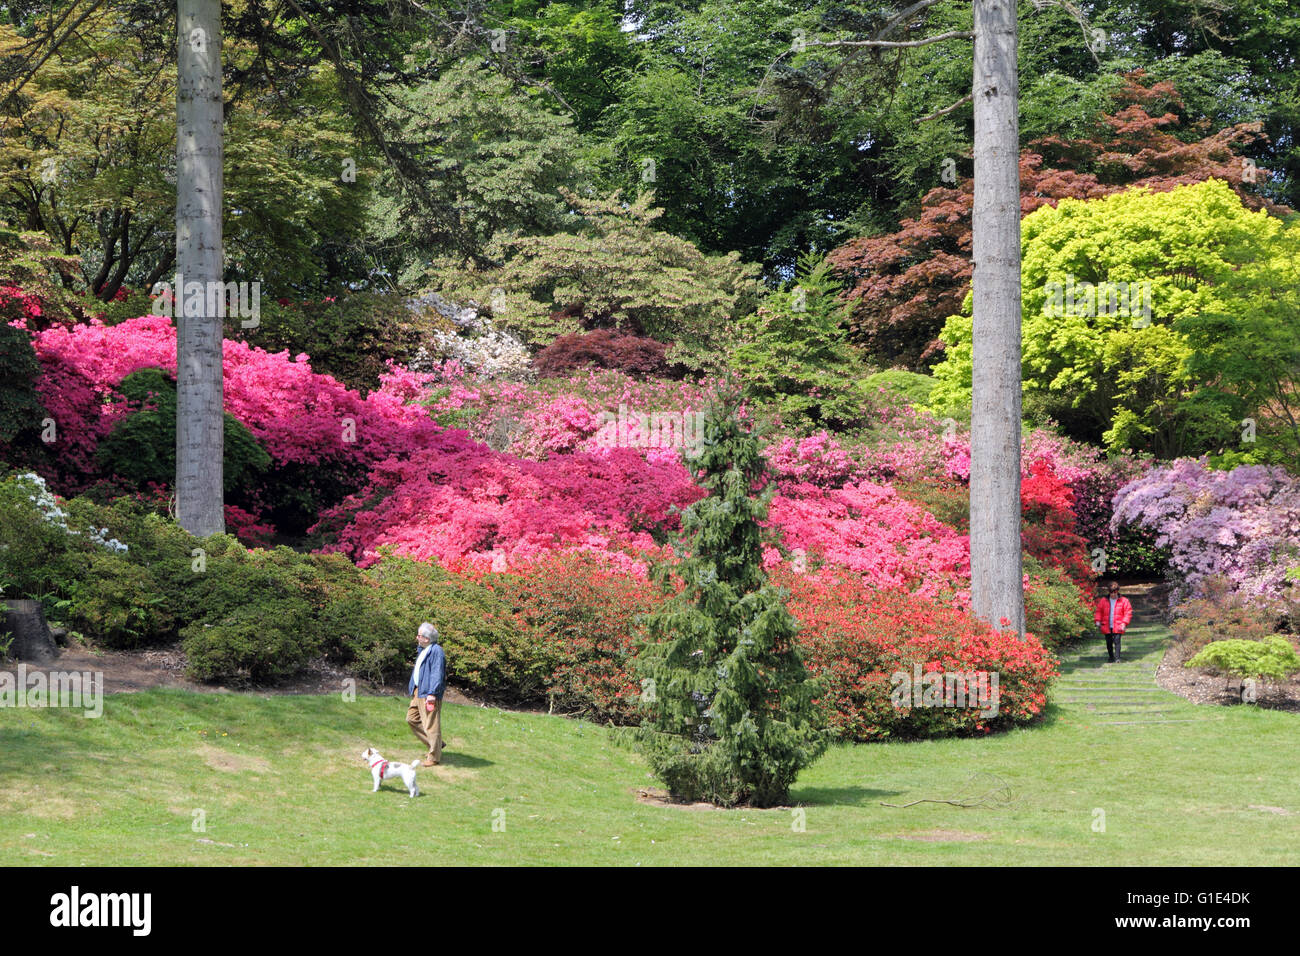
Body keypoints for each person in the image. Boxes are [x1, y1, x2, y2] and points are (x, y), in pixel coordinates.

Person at [406, 622, 446, 766]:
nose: (417, 637)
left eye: (419, 635)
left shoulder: (436, 651)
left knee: (431, 725)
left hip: (428, 694)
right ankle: (436, 744)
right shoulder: (423, 649)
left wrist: (432, 694)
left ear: (427, 639)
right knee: (411, 719)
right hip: (419, 691)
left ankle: (434, 757)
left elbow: (437, 673)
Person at [1093, 581, 1132, 663]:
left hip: (1118, 625)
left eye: (1114, 592)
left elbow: (1128, 612)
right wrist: (1097, 620)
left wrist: (1124, 623)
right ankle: (1111, 657)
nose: (1113, 594)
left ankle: (1117, 658)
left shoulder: (1124, 601)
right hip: (1106, 625)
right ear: (1109, 592)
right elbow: (1099, 611)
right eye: (1111, 592)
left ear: (1117, 591)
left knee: (1117, 641)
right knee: (1109, 642)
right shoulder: (1104, 600)